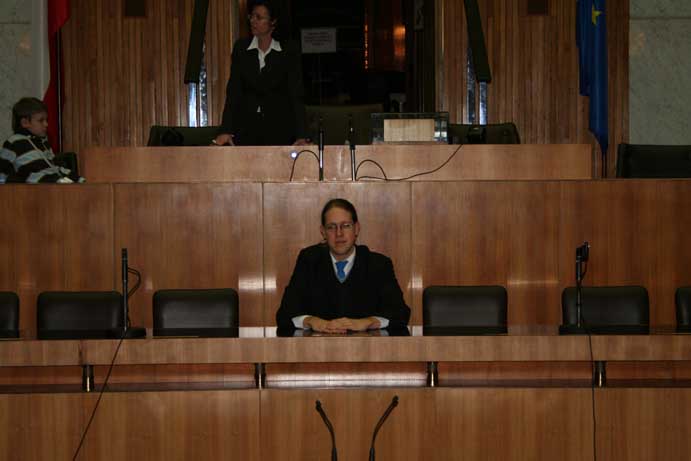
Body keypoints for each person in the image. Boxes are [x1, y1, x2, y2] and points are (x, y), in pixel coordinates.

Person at [276, 198, 411, 333]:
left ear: (356, 228)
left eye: (346, 226)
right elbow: (284, 314)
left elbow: (400, 313)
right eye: (331, 227)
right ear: (323, 232)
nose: (339, 234)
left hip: (367, 345)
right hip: (318, 345)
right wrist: (310, 321)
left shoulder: (378, 264)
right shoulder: (309, 261)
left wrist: (368, 322)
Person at [213, 0, 308, 147]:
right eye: (251, 16)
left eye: (259, 17)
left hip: (280, 129)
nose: (253, 21)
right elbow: (233, 92)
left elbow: (296, 94)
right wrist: (225, 130)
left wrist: (302, 135)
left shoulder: (289, 50)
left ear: (273, 21)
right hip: (245, 129)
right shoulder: (241, 49)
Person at [1, 97, 77, 183]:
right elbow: (2, 174)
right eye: (41, 120)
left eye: (46, 120)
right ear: (25, 123)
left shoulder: (43, 143)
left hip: (57, 184)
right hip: (35, 189)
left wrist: (78, 179)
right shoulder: (14, 142)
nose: (46, 124)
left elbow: (57, 167)